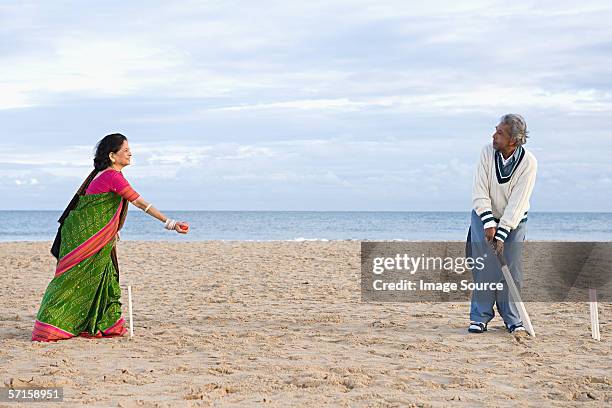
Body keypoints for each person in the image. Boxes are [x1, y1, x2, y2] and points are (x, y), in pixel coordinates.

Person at [32, 133, 189, 342]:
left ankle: (99, 322)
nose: (130, 153)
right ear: (112, 156)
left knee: (103, 278)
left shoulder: (103, 175)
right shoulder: (111, 176)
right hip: (84, 238)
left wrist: (111, 230)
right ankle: (49, 327)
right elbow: (141, 203)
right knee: (70, 281)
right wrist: (170, 223)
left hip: (87, 237)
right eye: (125, 150)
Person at [467, 114, 537, 335]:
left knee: (511, 268)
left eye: (500, 133)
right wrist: (488, 222)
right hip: (483, 215)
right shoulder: (487, 152)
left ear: (514, 140)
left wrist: (503, 231)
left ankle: (512, 318)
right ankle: (480, 317)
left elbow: (518, 202)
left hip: (514, 219)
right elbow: (480, 191)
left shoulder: (528, 163)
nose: (494, 136)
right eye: (495, 130)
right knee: (484, 267)